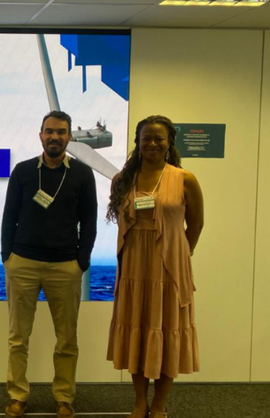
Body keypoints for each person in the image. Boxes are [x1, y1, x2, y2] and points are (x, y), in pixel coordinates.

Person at [0, 110, 98, 418]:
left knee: (67, 340)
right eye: (49, 131)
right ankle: (17, 396)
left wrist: (81, 262)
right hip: (23, 264)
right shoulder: (23, 171)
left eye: (61, 132)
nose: (55, 136)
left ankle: (64, 398)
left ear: (69, 137)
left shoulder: (82, 174)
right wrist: (8, 257)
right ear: (40, 135)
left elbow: (90, 222)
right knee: (18, 338)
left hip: (65, 267)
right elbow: (9, 217)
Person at [106, 115, 204, 418]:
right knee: (137, 332)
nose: (152, 143)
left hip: (170, 269)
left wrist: (181, 254)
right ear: (138, 142)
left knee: (166, 331)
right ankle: (140, 402)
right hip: (134, 267)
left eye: (158, 138)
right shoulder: (123, 179)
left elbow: (196, 224)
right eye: (146, 138)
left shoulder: (185, 179)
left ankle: (159, 404)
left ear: (169, 142)